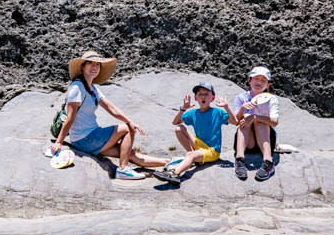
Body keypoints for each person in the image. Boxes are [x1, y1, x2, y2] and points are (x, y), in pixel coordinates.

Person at [51, 50, 168, 180]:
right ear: (83, 66)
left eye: (97, 64)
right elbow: (70, 117)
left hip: (92, 137)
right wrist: (59, 142)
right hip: (84, 138)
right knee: (127, 128)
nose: (94, 67)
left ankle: (168, 162)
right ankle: (123, 170)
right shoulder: (77, 87)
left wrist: (131, 120)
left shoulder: (93, 88)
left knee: (128, 152)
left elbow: (111, 108)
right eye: (90, 63)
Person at [152, 82, 236, 183]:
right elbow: (175, 122)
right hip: (199, 145)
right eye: (200, 94)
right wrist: (183, 109)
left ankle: (174, 173)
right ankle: (193, 157)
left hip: (212, 151)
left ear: (212, 98)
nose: (203, 97)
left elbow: (235, 122)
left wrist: (227, 107)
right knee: (179, 128)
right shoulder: (193, 113)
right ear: (196, 98)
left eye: (206, 94)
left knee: (190, 155)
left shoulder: (217, 112)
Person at [231, 66, 280, 181]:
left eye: (263, 80)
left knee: (259, 121)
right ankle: (240, 159)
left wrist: (255, 117)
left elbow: (274, 122)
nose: (259, 82)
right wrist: (242, 109)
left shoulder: (271, 99)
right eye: (256, 79)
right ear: (249, 80)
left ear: (268, 85)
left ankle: (268, 161)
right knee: (245, 119)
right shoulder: (241, 97)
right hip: (247, 141)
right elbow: (235, 121)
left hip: (265, 139)